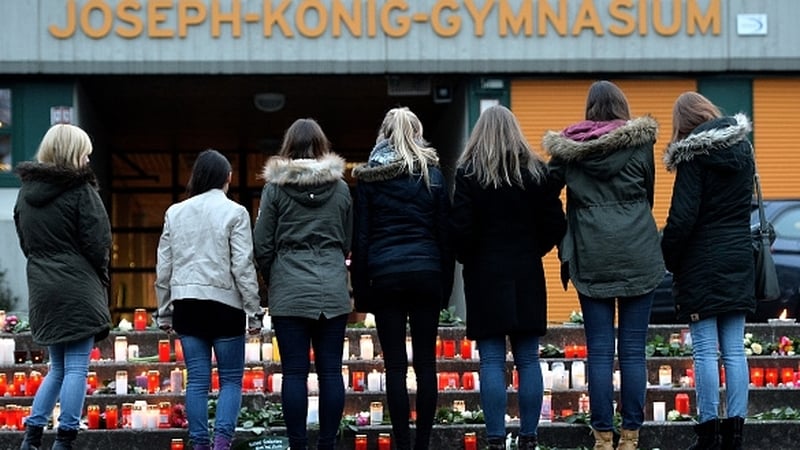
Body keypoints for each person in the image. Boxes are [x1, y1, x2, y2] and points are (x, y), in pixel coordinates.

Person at [542, 80, 663, 450]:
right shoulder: (641, 145)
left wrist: (566, 226)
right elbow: (649, 193)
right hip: (639, 251)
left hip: (591, 252)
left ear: (589, 110)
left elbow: (546, 188)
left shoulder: (570, 150)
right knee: (631, 349)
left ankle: (601, 436)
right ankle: (630, 436)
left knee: (598, 349)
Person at [451, 105, 566, 450]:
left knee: (490, 360)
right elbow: (556, 225)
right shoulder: (535, 173)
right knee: (528, 358)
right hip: (526, 273)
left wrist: (470, 256)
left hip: (485, 276)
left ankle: (496, 440)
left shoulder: (469, 173)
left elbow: (460, 230)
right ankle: (530, 436)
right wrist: (533, 250)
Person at [351, 107, 454, 450]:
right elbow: (444, 235)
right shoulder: (433, 174)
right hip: (427, 272)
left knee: (395, 365)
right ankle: (422, 443)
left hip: (385, 276)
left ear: (383, 134)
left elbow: (362, 238)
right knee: (426, 364)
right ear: (417, 133)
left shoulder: (370, 178)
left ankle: (402, 443)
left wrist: (362, 291)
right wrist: (446, 286)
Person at [661, 92, 754, 450]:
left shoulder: (694, 156)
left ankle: (708, 432)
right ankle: (735, 434)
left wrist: (669, 255)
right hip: (738, 257)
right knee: (734, 350)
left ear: (683, 124)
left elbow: (683, 218)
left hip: (702, 261)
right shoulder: (744, 150)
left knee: (704, 350)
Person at [253, 118, 352, 450]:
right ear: (322, 146)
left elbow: (262, 243)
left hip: (289, 288)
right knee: (330, 373)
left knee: (294, 374)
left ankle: (297, 444)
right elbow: (347, 238)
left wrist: (274, 276)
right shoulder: (340, 188)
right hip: (333, 289)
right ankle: (327, 444)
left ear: (288, 146)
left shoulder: (275, 188)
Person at [155, 149, 263, 450]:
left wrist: (164, 311)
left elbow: (164, 266)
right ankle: (221, 443)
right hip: (225, 306)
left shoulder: (174, 212)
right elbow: (242, 265)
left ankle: (200, 444)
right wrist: (254, 311)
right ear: (227, 178)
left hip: (187, 305)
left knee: (198, 380)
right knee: (230, 380)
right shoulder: (236, 212)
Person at [14, 124, 112, 450]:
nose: (88, 158)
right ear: (73, 153)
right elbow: (98, 243)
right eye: (84, 151)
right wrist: (100, 279)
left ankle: (32, 436)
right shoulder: (81, 192)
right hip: (77, 287)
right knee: (76, 369)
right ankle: (66, 437)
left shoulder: (25, 195)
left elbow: (26, 243)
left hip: (42, 287)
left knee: (56, 368)